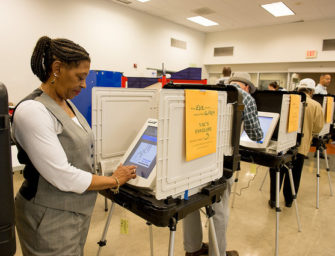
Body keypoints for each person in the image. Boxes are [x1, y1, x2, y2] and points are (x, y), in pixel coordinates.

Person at [12, 36, 137, 255]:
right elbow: (62, 174)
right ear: (57, 68)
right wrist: (114, 180)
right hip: (48, 215)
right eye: (80, 77)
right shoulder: (33, 110)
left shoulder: (66, 102)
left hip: (75, 212)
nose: (83, 85)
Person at [183, 72, 263, 256]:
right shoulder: (246, 98)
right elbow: (256, 135)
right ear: (247, 87)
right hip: (220, 164)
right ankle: (216, 252)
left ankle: (192, 248)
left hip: (192, 157)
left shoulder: (207, 90)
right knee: (219, 210)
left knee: (189, 206)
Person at [268, 78, 324, 208]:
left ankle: (273, 200)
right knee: (294, 173)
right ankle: (289, 201)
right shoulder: (316, 105)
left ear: (298, 88)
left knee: (277, 171)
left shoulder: (286, 101)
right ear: (311, 91)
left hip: (282, 145)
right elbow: (318, 128)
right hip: (301, 146)